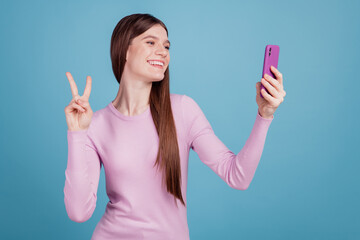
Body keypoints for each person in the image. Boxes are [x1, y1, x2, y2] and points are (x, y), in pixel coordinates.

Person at [63, 13, 286, 240]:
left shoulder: (183, 110)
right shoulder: (95, 124)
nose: (163, 52)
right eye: (151, 42)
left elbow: (238, 176)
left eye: (166, 46)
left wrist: (264, 115)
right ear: (125, 50)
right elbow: (79, 212)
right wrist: (77, 134)